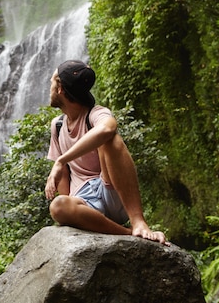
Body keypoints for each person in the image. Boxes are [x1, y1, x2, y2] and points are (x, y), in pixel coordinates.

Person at [44, 60, 168, 245]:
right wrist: (72, 208)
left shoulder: (96, 114)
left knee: (110, 140)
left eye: (53, 81)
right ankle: (127, 232)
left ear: (60, 88)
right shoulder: (58, 125)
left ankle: (138, 222)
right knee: (59, 206)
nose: (50, 87)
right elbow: (64, 177)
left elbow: (107, 129)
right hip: (86, 203)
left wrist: (61, 161)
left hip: (110, 189)